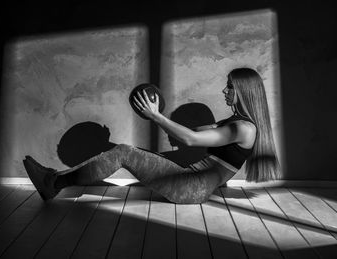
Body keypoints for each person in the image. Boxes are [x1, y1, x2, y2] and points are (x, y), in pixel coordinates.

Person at [23, 68, 280, 204]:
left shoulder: (243, 128)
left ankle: (52, 184)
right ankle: (54, 178)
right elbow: (200, 133)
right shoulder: (237, 124)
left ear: (244, 92)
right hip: (191, 183)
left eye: (230, 87)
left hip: (190, 188)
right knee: (133, 154)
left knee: (124, 152)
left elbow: (190, 139)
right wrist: (166, 118)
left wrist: (156, 116)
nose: (224, 90)